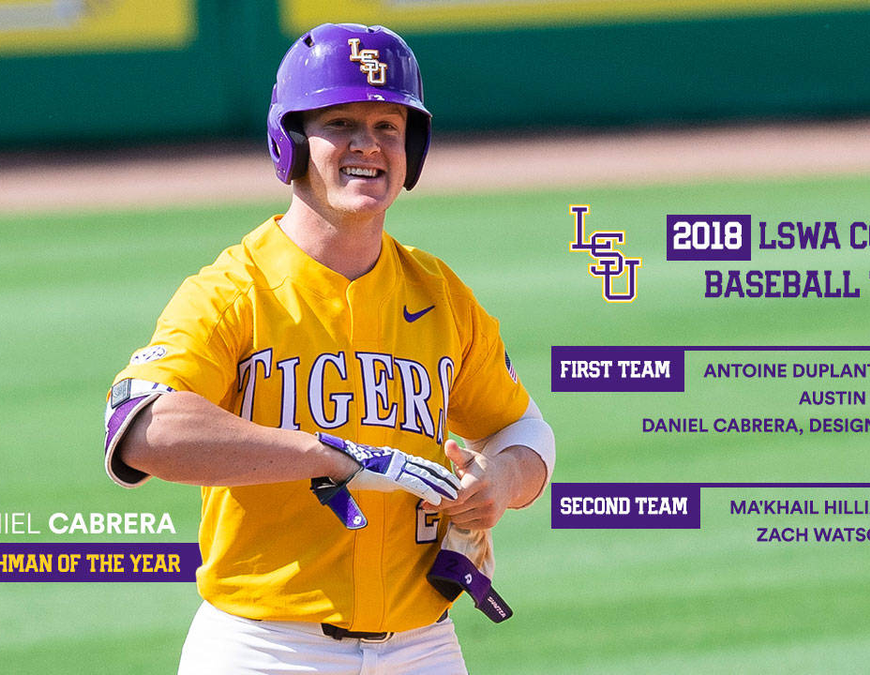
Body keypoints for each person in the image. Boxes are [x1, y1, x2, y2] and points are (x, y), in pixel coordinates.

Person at [101, 22, 555, 675]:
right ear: (288, 142)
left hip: (423, 645)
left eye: (388, 127)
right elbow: (139, 426)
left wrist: (501, 481)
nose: (367, 145)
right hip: (265, 648)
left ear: (413, 149)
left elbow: (525, 428)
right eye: (340, 123)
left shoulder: (440, 293)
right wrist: (329, 455)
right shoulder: (234, 290)